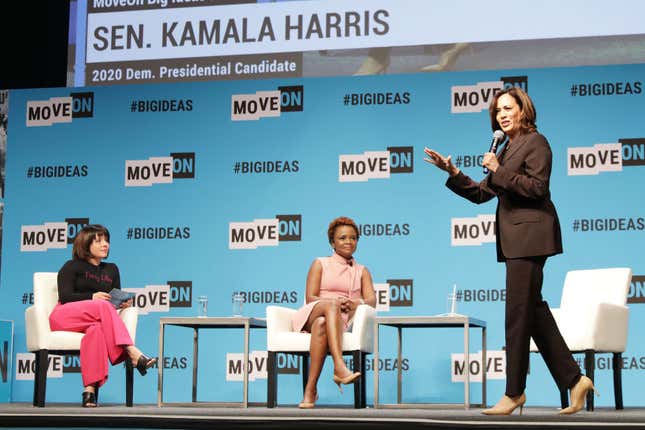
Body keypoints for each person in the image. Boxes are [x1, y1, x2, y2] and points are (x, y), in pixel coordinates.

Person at [423, 87, 594, 415]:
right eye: (497, 110)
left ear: (523, 110)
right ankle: (574, 380)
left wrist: (498, 170)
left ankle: (514, 392)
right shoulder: (503, 147)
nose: (501, 114)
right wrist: (453, 172)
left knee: (517, 314)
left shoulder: (536, 143)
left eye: (508, 108)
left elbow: (537, 187)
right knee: (532, 312)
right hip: (516, 239)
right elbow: (482, 194)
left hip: (531, 235)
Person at [50, 224, 157, 407]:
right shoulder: (71, 266)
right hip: (65, 316)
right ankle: (131, 351)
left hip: (95, 319)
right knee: (101, 305)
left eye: (106, 240)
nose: (105, 244)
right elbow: (66, 296)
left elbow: (112, 299)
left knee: (97, 331)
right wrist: (92, 297)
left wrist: (122, 303)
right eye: (98, 241)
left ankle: (89, 392)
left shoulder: (112, 269)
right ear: (85, 244)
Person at [291, 216, 376, 409]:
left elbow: (372, 301)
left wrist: (356, 303)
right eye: (343, 238)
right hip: (311, 313)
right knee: (330, 305)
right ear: (332, 242)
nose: (348, 242)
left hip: (334, 321)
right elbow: (310, 297)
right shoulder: (320, 263)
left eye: (353, 238)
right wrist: (333, 303)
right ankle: (339, 365)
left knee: (322, 324)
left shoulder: (362, 271)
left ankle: (310, 390)